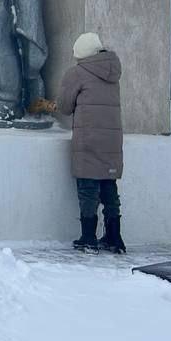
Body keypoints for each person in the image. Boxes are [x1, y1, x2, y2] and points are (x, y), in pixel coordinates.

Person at [52, 33, 125, 253]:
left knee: (88, 188)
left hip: (89, 138)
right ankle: (114, 237)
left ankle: (88, 237)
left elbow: (64, 106)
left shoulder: (77, 73)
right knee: (109, 186)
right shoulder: (113, 73)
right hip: (112, 139)